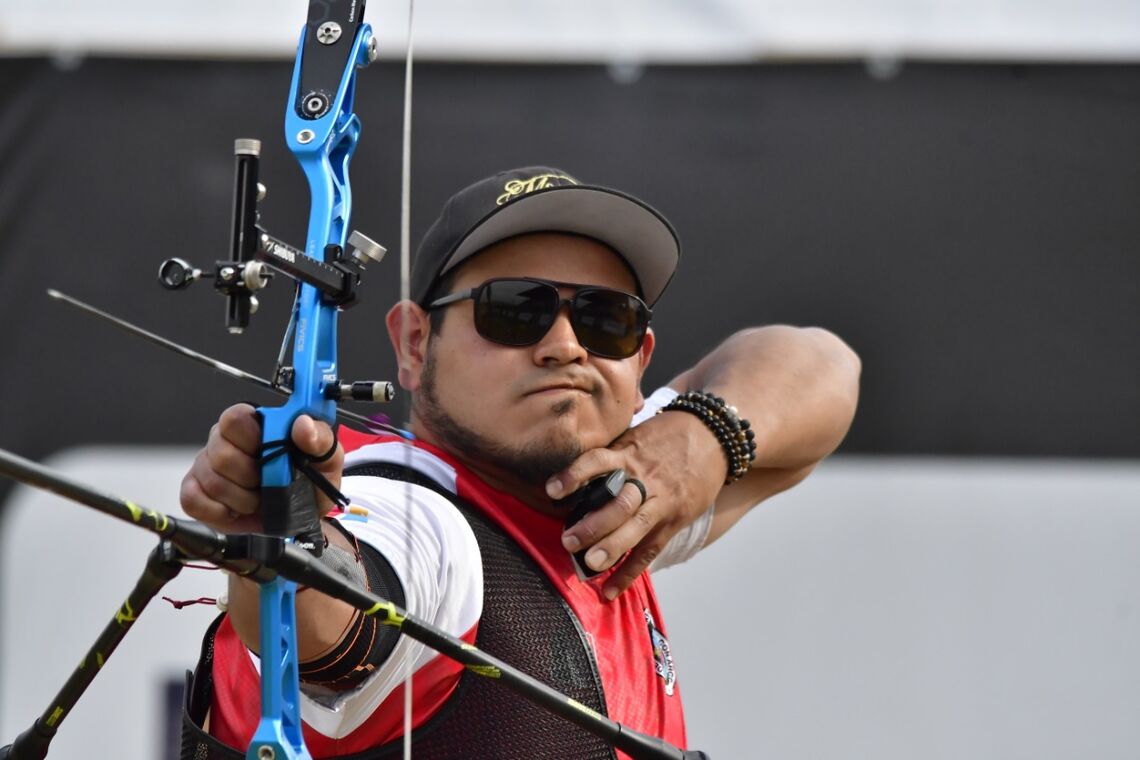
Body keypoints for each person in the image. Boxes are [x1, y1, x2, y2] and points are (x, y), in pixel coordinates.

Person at [178, 166, 861, 759]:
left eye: (604, 320)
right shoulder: (419, 518)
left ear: (641, 358)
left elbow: (826, 365)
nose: (565, 345)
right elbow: (333, 625)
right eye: (514, 311)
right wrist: (286, 528)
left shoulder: (623, 498)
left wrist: (702, 436)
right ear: (415, 344)